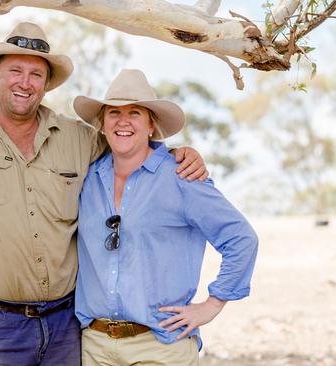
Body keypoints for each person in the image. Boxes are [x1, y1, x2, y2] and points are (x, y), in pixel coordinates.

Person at [0, 20, 208, 365]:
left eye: (36, 75)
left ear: (46, 85)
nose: (25, 83)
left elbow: (130, 142)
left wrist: (177, 154)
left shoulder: (79, 139)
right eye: (15, 70)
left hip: (67, 325)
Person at [73, 69, 259, 365]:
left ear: (151, 126)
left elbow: (241, 239)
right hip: (94, 347)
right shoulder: (85, 178)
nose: (123, 121)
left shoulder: (181, 176)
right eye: (114, 112)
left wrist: (211, 305)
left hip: (160, 347)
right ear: (103, 124)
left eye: (134, 112)